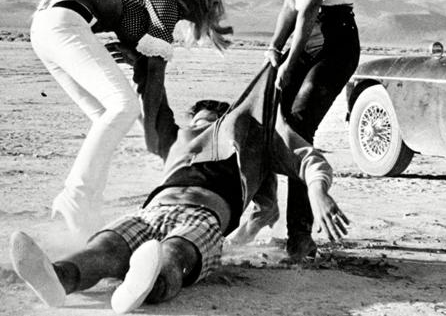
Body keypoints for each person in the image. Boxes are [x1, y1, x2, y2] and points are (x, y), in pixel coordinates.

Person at [9, 62, 348, 313]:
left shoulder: (254, 143)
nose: (197, 132)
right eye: (194, 125)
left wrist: (317, 191)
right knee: (107, 246)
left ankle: (144, 288)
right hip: (151, 212)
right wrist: (144, 62)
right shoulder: (176, 141)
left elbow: (304, 163)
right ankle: (60, 278)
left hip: (204, 217)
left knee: (175, 253)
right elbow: (153, 102)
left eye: (208, 125)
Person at [30, 0, 232, 241]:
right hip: (64, 24)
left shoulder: (156, 0)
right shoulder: (166, 3)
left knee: (106, 118)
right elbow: (154, 76)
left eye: (216, 0)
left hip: (48, 28)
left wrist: (137, 60)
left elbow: (146, 71)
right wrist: (151, 134)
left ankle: (86, 215)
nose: (212, 4)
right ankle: (74, 199)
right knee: (122, 107)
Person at [232, 0, 360, 250]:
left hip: (335, 43)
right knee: (266, 121)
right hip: (303, 40)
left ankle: (300, 238)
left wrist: (292, 61)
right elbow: (291, 3)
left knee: (300, 126)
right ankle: (263, 209)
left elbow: (311, 6)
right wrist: (275, 46)